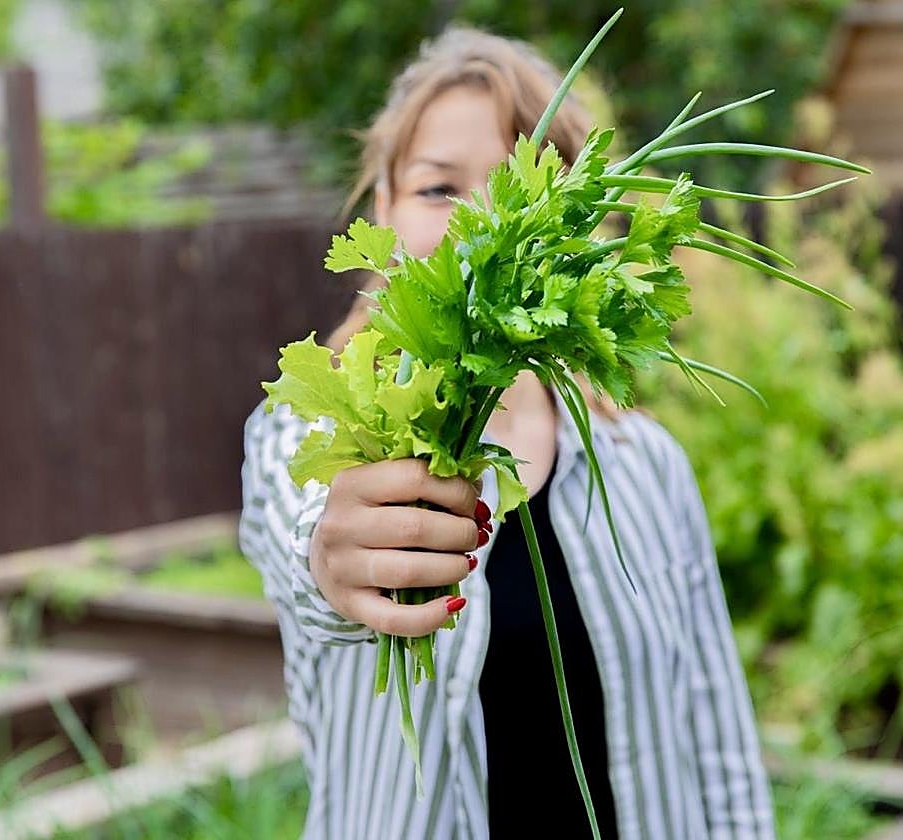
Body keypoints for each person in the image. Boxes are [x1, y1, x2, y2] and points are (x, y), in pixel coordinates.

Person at [240, 26, 775, 840]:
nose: (481, 226)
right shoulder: (310, 423)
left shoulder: (646, 464)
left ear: (579, 228)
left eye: (521, 193)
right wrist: (337, 556)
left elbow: (718, 734)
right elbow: (304, 529)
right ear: (380, 210)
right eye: (437, 190)